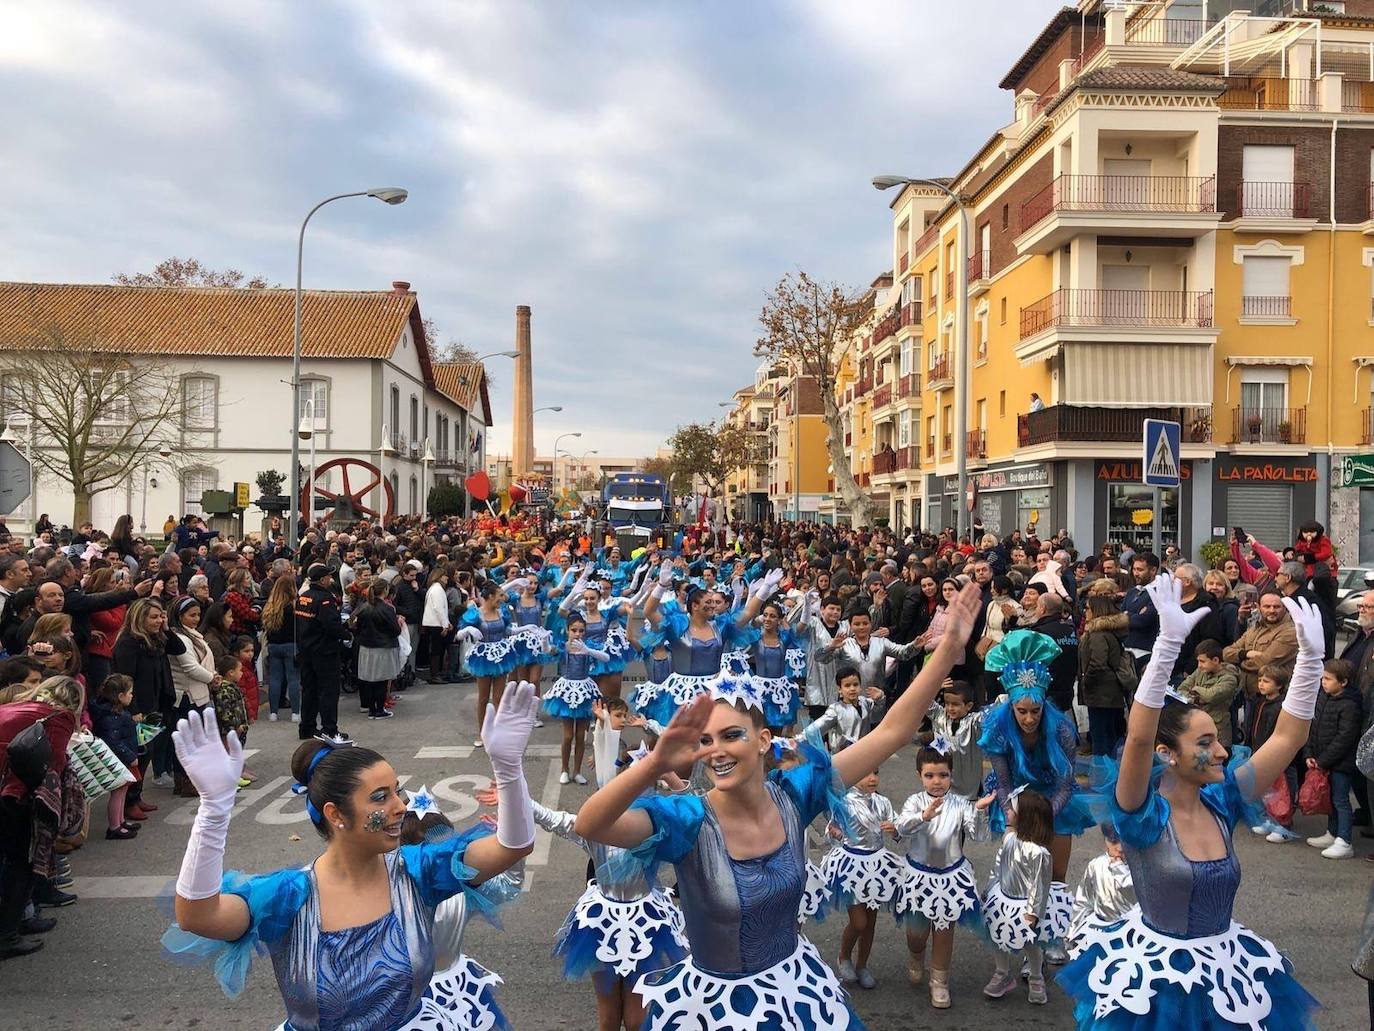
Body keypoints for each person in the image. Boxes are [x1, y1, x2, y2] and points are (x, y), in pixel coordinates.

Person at [570, 581, 984, 1030]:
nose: (717, 751)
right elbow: (593, 824)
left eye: (731, 735)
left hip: (793, 994)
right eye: (705, 740)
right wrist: (654, 764)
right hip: (712, 1007)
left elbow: (892, 733)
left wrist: (948, 649)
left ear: (763, 739)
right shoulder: (687, 820)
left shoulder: (794, 793)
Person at [161, 682, 541, 1028]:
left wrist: (509, 770)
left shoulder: (417, 872)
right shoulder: (288, 897)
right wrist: (214, 808)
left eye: (396, 791)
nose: (400, 807)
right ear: (336, 815)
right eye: (380, 797)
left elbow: (513, 846)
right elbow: (197, 915)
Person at [1056, 575, 1323, 1031]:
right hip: (1158, 981)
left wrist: (1311, 663)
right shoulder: (1141, 811)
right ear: (1168, 754)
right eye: (1205, 742)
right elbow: (1140, 735)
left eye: (1218, 740)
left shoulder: (1223, 800)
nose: (1221, 752)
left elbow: (1287, 737)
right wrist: (1165, 648)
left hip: (1225, 968)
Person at [531, 701, 688, 1031]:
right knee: (607, 1019)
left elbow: (699, 806)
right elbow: (547, 816)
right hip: (601, 922)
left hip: (647, 921)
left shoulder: (656, 827)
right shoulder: (596, 829)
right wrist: (509, 785)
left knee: (636, 1017)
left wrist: (667, 772)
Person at [892, 745, 993, 1009]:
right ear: (919, 775)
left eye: (943, 775)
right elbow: (901, 828)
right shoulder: (914, 802)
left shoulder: (960, 803)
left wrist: (980, 811)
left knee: (945, 929)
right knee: (917, 932)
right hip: (919, 876)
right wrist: (922, 816)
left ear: (951, 775)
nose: (937, 781)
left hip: (950, 876)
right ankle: (916, 954)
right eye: (930, 776)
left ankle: (939, 981)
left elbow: (978, 835)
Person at [0, 675, 81, 958]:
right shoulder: (59, 717)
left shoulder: (15, 707)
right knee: (21, 863)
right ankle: (8, 934)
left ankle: (21, 918)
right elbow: (54, 761)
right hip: (14, 794)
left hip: (5, 786)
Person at [820, 768, 902, 991]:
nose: (873, 778)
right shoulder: (844, 802)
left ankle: (863, 965)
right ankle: (844, 957)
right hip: (852, 867)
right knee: (859, 922)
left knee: (871, 921)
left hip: (877, 866)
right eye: (865, 773)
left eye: (876, 772)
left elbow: (897, 830)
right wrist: (834, 832)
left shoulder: (882, 802)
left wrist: (894, 830)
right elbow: (831, 828)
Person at [981, 788, 1057, 1005]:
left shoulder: (1039, 853)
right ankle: (1002, 972)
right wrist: (988, 889)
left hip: (1025, 906)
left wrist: (1032, 913)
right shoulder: (1009, 839)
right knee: (998, 938)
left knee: (1031, 944)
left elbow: (1039, 885)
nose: (1007, 811)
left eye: (1012, 809)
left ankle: (1036, 976)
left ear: (1025, 818)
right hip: (1003, 899)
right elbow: (999, 867)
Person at [112, 597, 186, 789]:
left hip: (158, 703)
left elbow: (179, 648)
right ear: (140, 618)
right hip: (140, 708)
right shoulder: (128, 644)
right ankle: (131, 800)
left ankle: (137, 795)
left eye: (160, 617)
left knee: (148, 752)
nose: (159, 621)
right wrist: (134, 709)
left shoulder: (157, 638)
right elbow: (125, 679)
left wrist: (167, 628)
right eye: (154, 617)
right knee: (139, 754)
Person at [1303, 658, 1362, 860]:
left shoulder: (1350, 705)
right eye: (1323, 678)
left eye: (1328, 679)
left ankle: (1344, 841)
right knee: (1330, 798)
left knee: (1340, 800)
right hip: (1323, 760)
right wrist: (1310, 753)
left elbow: (1345, 738)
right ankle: (1332, 832)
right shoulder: (1324, 698)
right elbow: (1313, 726)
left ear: (1343, 682)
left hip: (1341, 763)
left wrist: (1324, 760)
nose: (1323, 682)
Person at [543, 613, 609, 785]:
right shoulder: (563, 647)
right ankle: (564, 769)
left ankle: (577, 771)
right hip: (566, 691)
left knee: (581, 735)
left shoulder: (588, 646)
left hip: (584, 691)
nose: (578, 634)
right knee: (567, 735)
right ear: (567, 630)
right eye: (574, 630)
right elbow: (547, 651)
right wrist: (544, 640)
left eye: (581, 631)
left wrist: (588, 651)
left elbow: (606, 657)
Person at [294, 563, 348, 746]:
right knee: (328, 691)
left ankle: (307, 727)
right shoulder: (325, 599)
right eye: (328, 576)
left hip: (305, 650)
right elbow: (331, 624)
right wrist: (347, 634)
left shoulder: (303, 597)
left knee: (309, 689)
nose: (330, 579)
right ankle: (330, 729)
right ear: (323, 579)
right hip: (324, 651)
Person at [1078, 582, 1133, 757]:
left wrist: (1086, 680)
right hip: (1110, 693)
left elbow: (1098, 663)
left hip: (1101, 693)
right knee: (1109, 738)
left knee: (1102, 741)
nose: (1085, 612)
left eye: (1087, 608)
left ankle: (1104, 779)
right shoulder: (1110, 632)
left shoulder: (1097, 635)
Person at [1064, 826, 1135, 957]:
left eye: (1124, 842)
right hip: (1100, 933)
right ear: (1105, 840)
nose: (1119, 848)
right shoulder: (1096, 865)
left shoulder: (1139, 868)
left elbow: (1132, 892)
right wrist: (1073, 933)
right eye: (1113, 841)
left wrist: (1119, 869)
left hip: (1131, 937)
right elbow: (1084, 901)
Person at [350, 579, 403, 722]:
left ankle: (371, 708)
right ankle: (379, 709)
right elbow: (395, 630)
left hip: (366, 647)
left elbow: (356, 626)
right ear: (385, 590)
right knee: (382, 679)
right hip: (384, 647)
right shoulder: (387, 609)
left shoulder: (364, 607)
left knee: (369, 680)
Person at [1178, 640, 1240, 752]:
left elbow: (1211, 696)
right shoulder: (1200, 671)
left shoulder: (1229, 679)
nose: (1199, 666)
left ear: (1215, 660)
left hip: (1218, 730)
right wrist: (1196, 698)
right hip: (1196, 726)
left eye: (1202, 661)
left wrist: (1196, 689)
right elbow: (1182, 689)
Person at [260, 572, 300, 723]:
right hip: (291, 645)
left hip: (274, 645)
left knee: (275, 679)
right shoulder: (293, 607)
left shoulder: (270, 607)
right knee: (293, 679)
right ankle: (295, 713)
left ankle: (273, 713)